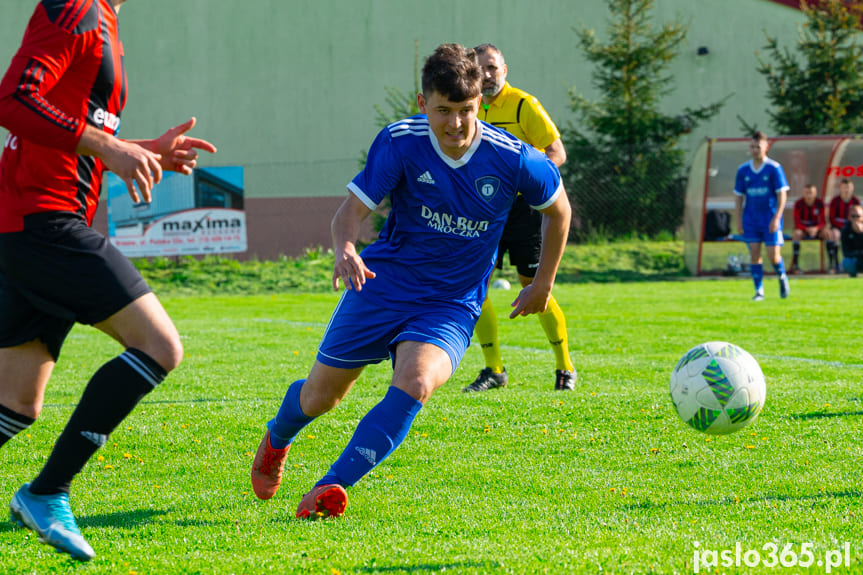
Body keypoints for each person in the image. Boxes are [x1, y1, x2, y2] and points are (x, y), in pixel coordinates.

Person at [250, 43, 570, 520]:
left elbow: (559, 210)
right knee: (322, 397)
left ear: (480, 101)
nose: (456, 124)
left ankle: (330, 488)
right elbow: (350, 213)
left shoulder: (513, 158)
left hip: (451, 302)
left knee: (417, 382)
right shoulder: (400, 142)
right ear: (423, 104)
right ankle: (278, 438)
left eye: (466, 110)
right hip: (382, 284)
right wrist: (345, 249)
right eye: (443, 111)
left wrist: (543, 283)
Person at [0, 0, 216, 561]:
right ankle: (46, 492)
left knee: (16, 403)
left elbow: (68, 128)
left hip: (26, 223)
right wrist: (112, 147)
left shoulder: (105, 20)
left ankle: (42, 495)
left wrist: (144, 152)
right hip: (42, 221)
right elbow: (14, 99)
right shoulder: (74, 7)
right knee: (160, 346)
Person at [462, 43, 575, 393]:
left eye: (493, 67)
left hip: (525, 212)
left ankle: (564, 368)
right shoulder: (466, 109)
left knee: (535, 285)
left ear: (505, 70)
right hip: (483, 212)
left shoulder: (525, 105)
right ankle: (493, 369)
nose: (488, 74)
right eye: (481, 69)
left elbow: (557, 152)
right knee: (473, 287)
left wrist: (524, 176)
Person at [733, 131, 790, 301]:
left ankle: (782, 277)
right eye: (752, 146)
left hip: (769, 218)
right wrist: (739, 219)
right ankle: (759, 291)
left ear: (766, 147)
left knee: (773, 255)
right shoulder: (743, 170)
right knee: (754, 254)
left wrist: (777, 217)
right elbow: (738, 196)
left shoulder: (774, 168)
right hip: (751, 219)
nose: (755, 150)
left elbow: (782, 194)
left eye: (758, 146)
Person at [790, 183, 829, 274]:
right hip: (804, 230)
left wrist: (816, 228)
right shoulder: (798, 204)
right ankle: (796, 266)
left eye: (810, 193)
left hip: (816, 230)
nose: (808, 195)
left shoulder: (819, 203)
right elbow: (797, 222)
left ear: (815, 193)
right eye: (806, 193)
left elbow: (823, 222)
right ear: (803, 193)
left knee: (827, 233)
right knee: (796, 234)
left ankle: (832, 265)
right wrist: (807, 229)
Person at [827, 178, 860, 274]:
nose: (846, 190)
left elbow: (859, 217)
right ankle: (835, 264)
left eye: (848, 188)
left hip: (852, 228)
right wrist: (843, 227)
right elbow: (832, 218)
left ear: (852, 188)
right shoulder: (835, 201)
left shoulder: (855, 201)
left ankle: (857, 259)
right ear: (840, 188)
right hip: (838, 227)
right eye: (844, 188)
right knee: (835, 235)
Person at [840, 203, 863, 277]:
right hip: (855, 259)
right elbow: (845, 252)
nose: (856, 218)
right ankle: (853, 275)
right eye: (853, 216)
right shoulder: (845, 230)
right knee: (846, 262)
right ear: (849, 217)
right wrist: (859, 253)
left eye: (858, 216)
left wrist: (861, 233)